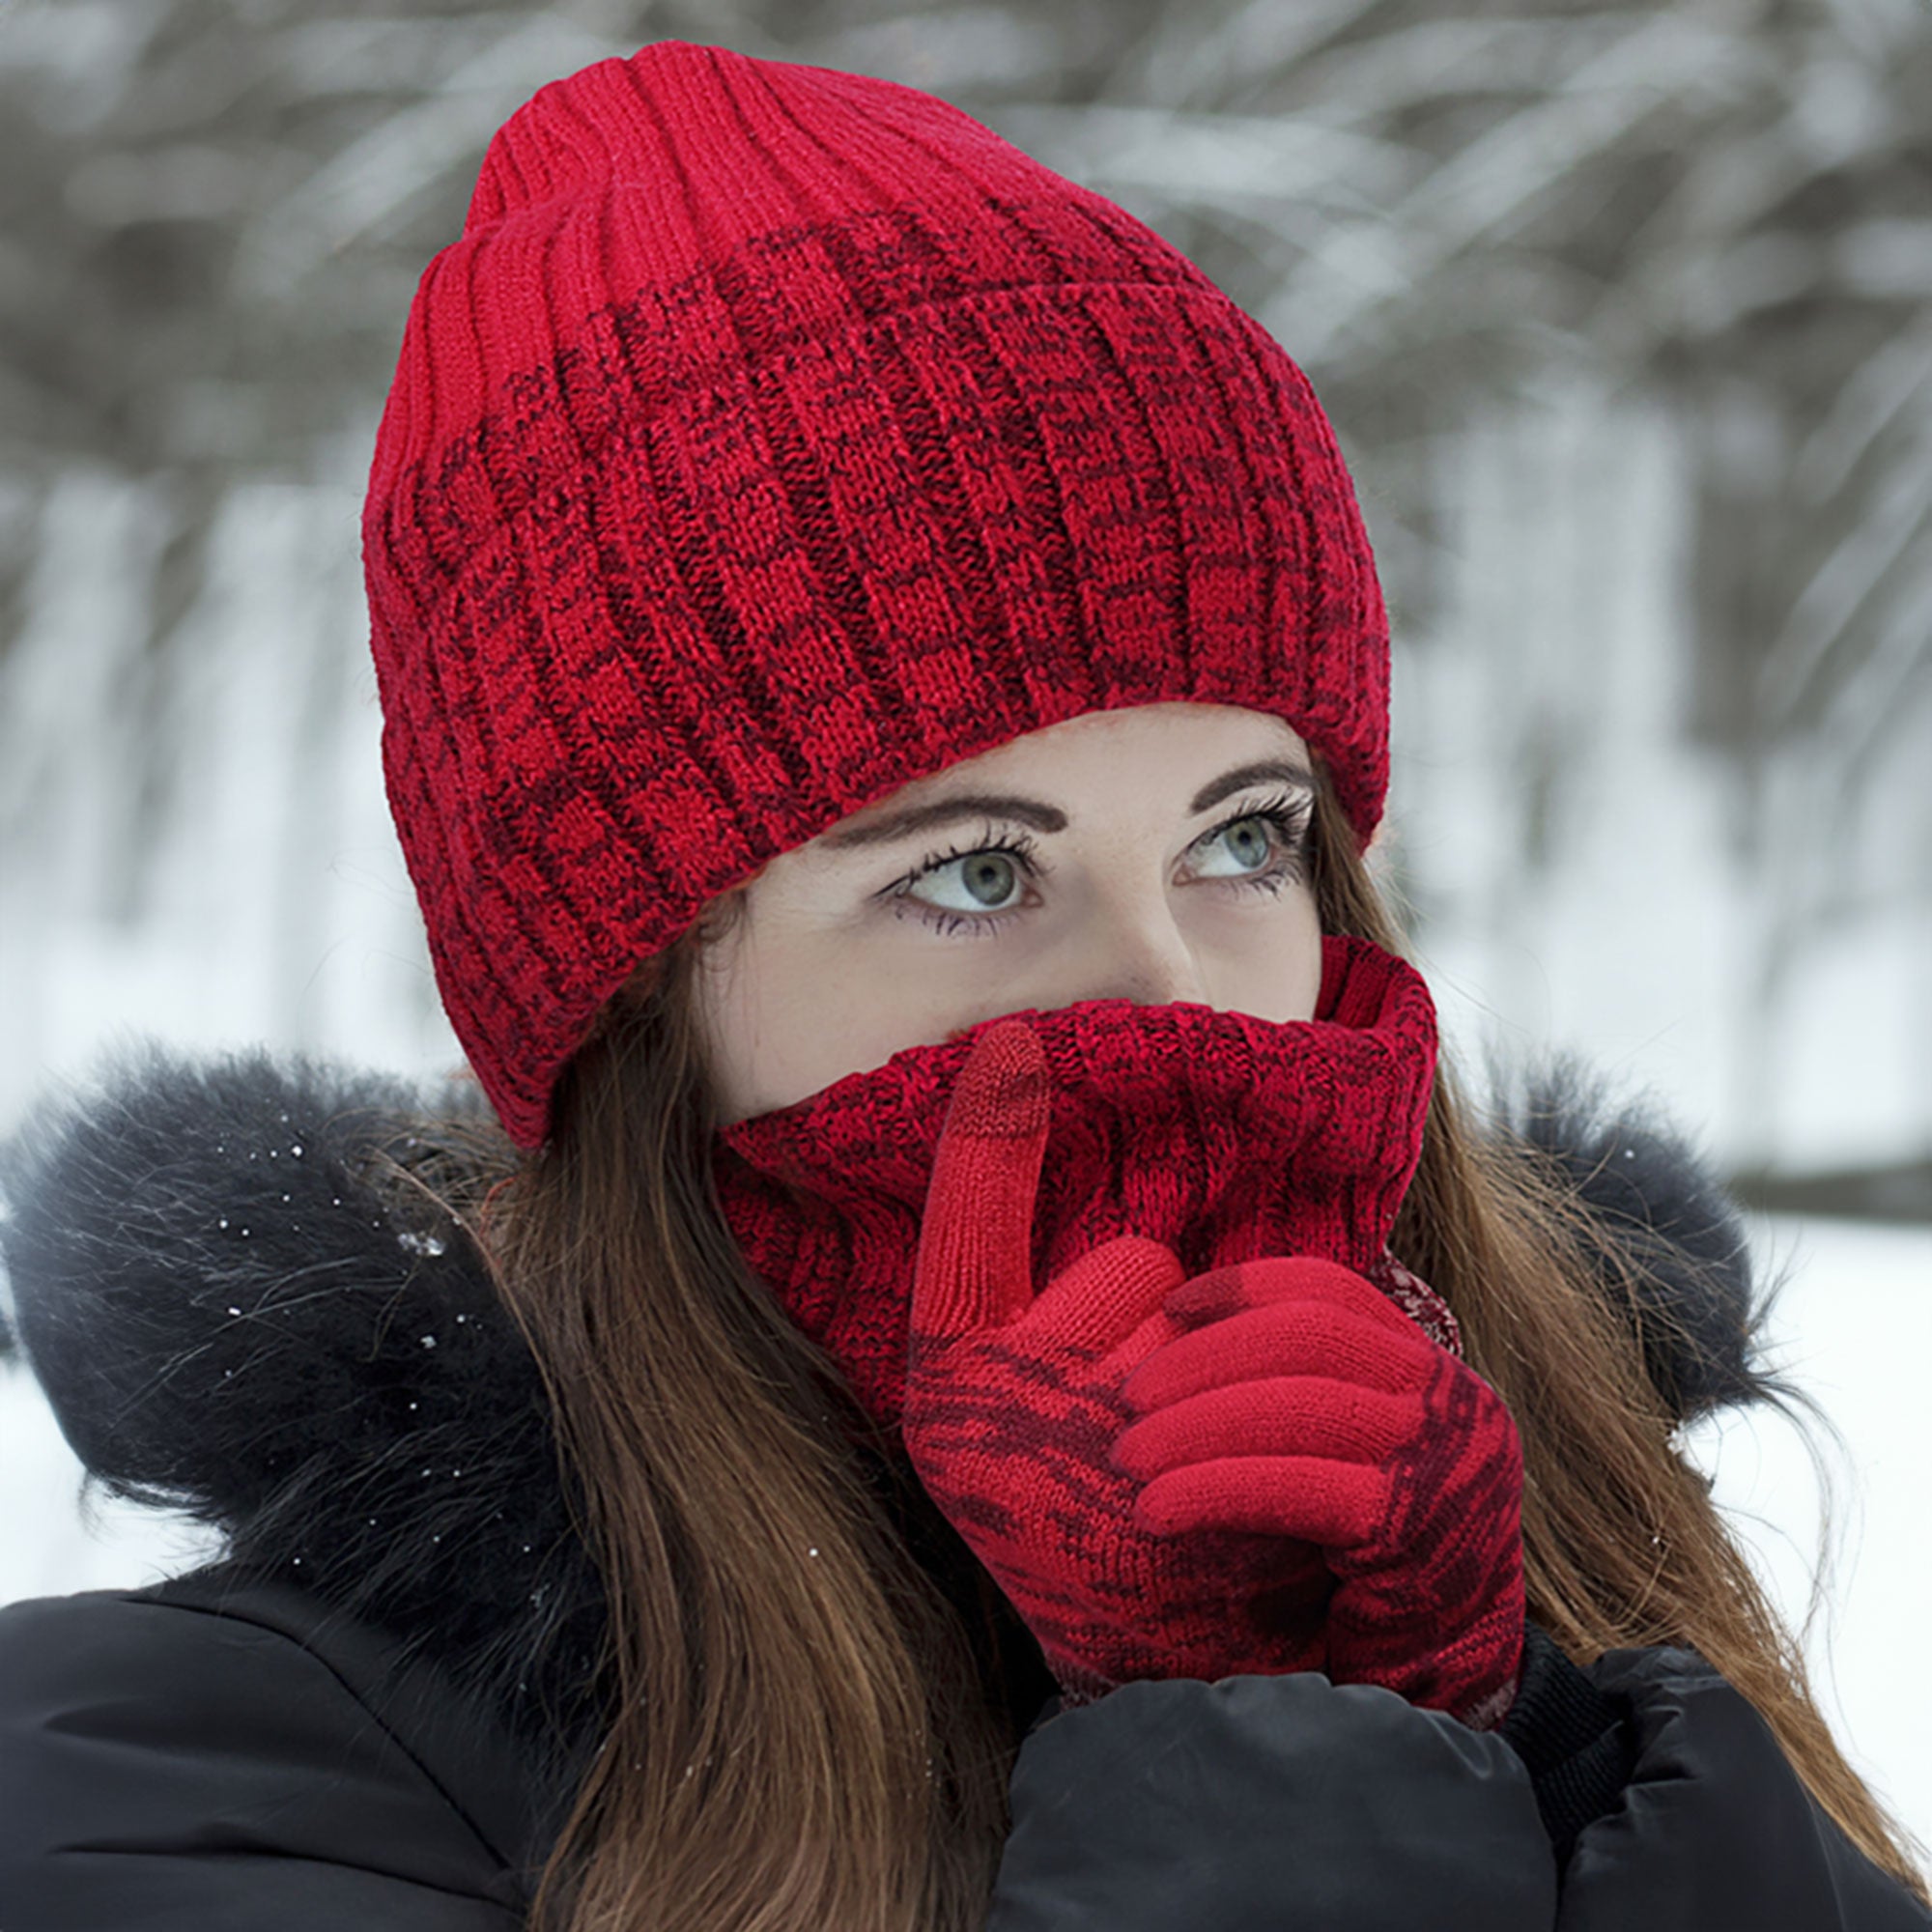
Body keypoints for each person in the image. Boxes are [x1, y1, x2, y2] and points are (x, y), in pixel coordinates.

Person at [0, 37, 1924, 1932]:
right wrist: (1249, 1781)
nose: (1166, 984)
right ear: (631, 993)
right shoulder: (186, 1775)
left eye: (1241, 835)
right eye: (975, 871)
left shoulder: (1568, 1540)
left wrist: (1513, 1738)